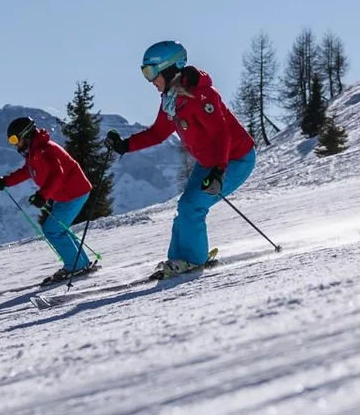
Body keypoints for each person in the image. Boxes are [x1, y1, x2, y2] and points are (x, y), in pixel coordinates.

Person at [104, 41, 257, 279]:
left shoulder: (203, 94)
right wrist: (125, 145)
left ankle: (192, 260)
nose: (150, 80)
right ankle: (179, 258)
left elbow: (220, 133)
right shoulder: (171, 99)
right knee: (185, 206)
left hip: (235, 159)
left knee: (193, 206)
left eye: (151, 72)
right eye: (145, 73)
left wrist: (218, 171)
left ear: (167, 69)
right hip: (209, 162)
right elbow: (157, 133)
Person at [0, 116, 96, 283]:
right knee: (57, 229)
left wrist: (43, 195)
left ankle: (76, 267)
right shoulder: (34, 152)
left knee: (52, 230)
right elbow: (27, 171)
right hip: (65, 195)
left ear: (25, 135)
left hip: (73, 193)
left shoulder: (47, 149)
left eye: (14, 139)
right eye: (10, 140)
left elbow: (58, 174)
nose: (14, 144)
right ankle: (80, 264)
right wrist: (6, 180)